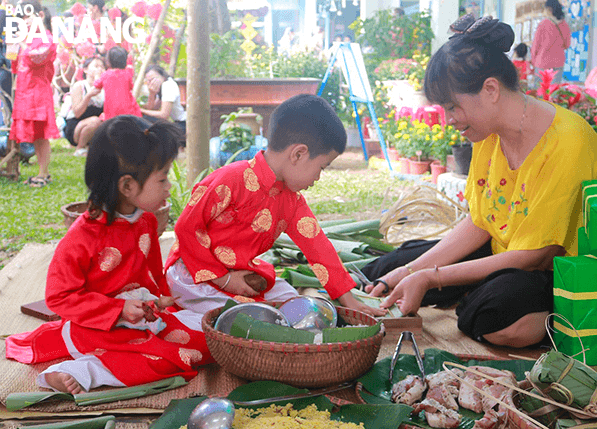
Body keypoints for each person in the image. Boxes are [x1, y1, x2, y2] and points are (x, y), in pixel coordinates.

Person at [362, 16, 597, 348]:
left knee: (493, 313)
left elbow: (533, 257)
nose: (449, 120)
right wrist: (410, 271)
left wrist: (431, 277)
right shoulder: (487, 137)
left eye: (453, 107)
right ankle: (464, 291)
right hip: (503, 254)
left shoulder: (569, 141)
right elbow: (480, 223)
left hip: (557, 272)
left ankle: (491, 303)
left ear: (490, 89)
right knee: (389, 268)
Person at [5, 116, 213, 394]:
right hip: (97, 328)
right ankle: (76, 371)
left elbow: (152, 273)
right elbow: (59, 297)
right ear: (127, 186)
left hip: (141, 319)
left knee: (206, 344)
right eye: (162, 178)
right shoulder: (82, 238)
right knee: (169, 361)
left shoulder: (146, 222)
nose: (169, 187)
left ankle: (117, 357)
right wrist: (117, 310)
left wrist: (160, 298)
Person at [165, 94, 386, 317]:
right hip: (194, 274)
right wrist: (224, 279)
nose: (318, 177)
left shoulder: (292, 200)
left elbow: (318, 247)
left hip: (240, 276)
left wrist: (349, 300)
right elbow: (186, 227)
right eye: (322, 167)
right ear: (298, 154)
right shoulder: (229, 179)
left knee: (294, 302)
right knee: (238, 319)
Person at [9, 0, 58, 188]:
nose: (25, 21)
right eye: (22, 17)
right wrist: (14, 45)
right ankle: (42, 172)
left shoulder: (46, 37)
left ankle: (43, 173)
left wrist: (21, 42)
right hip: (24, 91)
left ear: (40, 16)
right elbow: (15, 63)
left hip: (38, 92)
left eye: (28, 16)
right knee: (37, 135)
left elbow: (35, 58)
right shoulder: (26, 38)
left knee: (41, 135)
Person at [64, 56, 105, 156]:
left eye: (102, 66)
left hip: (96, 126)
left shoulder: (105, 89)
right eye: (96, 66)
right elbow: (77, 113)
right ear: (86, 70)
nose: (99, 69)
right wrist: (89, 95)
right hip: (76, 127)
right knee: (95, 120)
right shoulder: (80, 86)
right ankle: (80, 148)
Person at [94, 46, 141, 120]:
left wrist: (97, 76)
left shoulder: (105, 74)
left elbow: (97, 85)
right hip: (128, 110)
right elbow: (131, 87)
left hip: (112, 112)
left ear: (108, 61)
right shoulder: (127, 74)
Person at [140, 65, 186, 138]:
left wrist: (141, 110)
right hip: (177, 123)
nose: (151, 82)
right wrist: (152, 94)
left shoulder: (168, 85)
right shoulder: (161, 86)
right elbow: (151, 108)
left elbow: (164, 114)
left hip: (183, 124)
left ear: (163, 76)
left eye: (153, 79)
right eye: (147, 81)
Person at [531, 0, 570, 84]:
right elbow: (567, 44)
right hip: (558, 62)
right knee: (554, 92)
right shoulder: (565, 25)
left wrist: (533, 60)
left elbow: (535, 46)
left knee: (540, 91)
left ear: (549, 9)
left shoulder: (543, 24)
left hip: (542, 63)